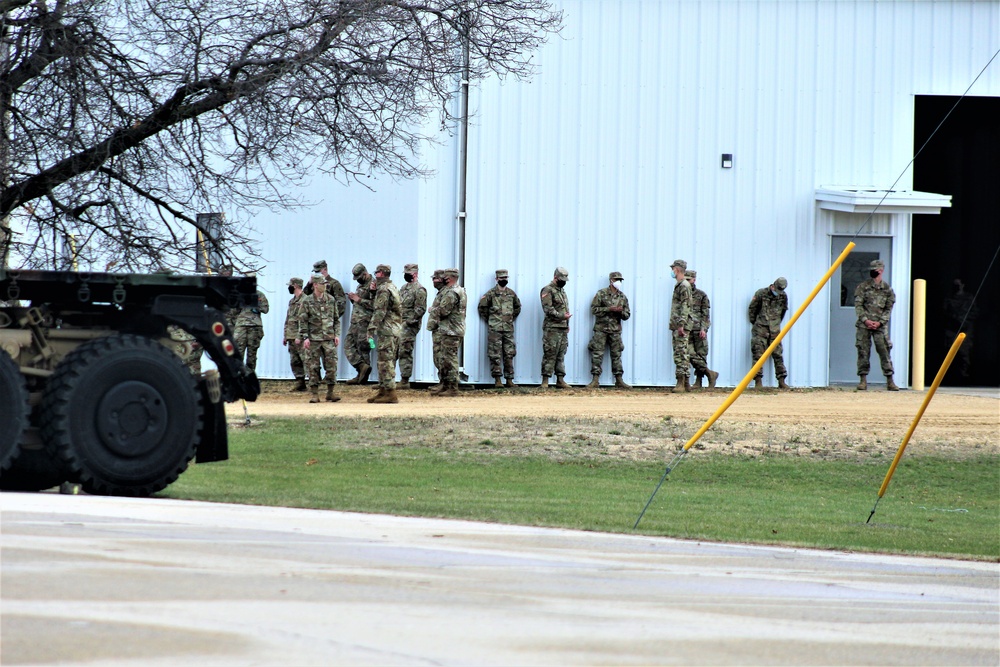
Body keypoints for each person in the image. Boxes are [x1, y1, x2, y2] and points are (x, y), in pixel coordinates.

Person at [296, 273, 341, 403]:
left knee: (331, 365)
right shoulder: (307, 301)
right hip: (313, 339)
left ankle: (330, 392)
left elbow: (336, 319)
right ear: (315, 285)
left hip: (328, 339)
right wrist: (305, 337)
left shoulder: (331, 299)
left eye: (326, 284)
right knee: (313, 366)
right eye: (322, 284)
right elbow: (302, 321)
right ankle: (314, 394)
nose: (325, 286)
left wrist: (336, 334)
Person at [855, 259, 898, 391]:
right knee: (863, 351)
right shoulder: (863, 287)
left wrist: (880, 322)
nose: (874, 271)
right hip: (864, 326)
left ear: (881, 270)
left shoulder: (887, 289)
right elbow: (858, 305)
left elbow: (888, 308)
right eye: (872, 269)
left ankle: (890, 380)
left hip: (880, 327)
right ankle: (863, 380)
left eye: (876, 269)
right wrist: (865, 320)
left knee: (884, 351)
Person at [366, 264, 403, 404]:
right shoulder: (392, 287)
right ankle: (383, 390)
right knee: (384, 360)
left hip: (387, 330)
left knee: (386, 361)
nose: (375, 275)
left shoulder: (384, 289)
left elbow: (379, 311)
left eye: (376, 272)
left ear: (381, 273)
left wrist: (370, 328)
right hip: (392, 329)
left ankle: (390, 393)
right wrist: (372, 292)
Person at [586, 271, 631, 389]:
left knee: (617, 354)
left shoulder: (622, 297)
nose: (618, 282)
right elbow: (594, 309)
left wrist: (620, 311)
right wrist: (609, 309)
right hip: (601, 329)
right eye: (616, 280)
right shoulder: (601, 294)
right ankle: (595, 380)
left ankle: (619, 380)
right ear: (611, 280)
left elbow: (627, 315)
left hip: (615, 330)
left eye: (620, 280)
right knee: (597, 354)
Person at [478, 269, 522, 388]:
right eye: (501, 278)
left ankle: (509, 379)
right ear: (497, 279)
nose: (504, 280)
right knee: (495, 353)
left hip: (508, 329)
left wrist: (510, 318)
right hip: (495, 329)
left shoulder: (511, 294)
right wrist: (491, 320)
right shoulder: (490, 294)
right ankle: (497, 379)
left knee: (509, 353)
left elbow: (517, 307)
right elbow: (482, 308)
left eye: (505, 278)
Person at [427, 268, 466, 397]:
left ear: (448, 278)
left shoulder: (452, 292)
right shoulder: (456, 290)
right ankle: (446, 385)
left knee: (450, 359)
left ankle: (453, 387)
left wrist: (433, 309)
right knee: (445, 359)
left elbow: (444, 311)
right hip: (450, 329)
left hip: (451, 330)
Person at [748, 277, 789, 389]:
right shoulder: (761, 293)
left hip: (775, 330)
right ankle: (758, 381)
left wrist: (775, 324)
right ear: (773, 286)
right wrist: (758, 323)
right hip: (761, 329)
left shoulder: (783, 296)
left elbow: (783, 311)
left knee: (778, 354)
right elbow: (752, 309)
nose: (778, 293)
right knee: (758, 354)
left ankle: (781, 380)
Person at [540, 267, 572, 389]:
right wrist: (561, 316)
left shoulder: (561, 291)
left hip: (562, 328)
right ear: (555, 277)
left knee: (561, 354)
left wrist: (567, 324)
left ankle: (560, 379)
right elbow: (548, 309)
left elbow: (565, 310)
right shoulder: (547, 290)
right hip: (552, 328)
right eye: (561, 279)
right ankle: (545, 381)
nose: (564, 282)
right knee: (550, 354)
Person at [344, 263, 377, 384]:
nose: (357, 280)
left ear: (365, 274)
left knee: (364, 348)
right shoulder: (360, 285)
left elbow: (377, 305)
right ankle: (361, 367)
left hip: (365, 323)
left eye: (359, 277)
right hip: (355, 322)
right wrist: (354, 300)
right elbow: (360, 304)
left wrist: (359, 299)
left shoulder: (374, 285)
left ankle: (362, 377)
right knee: (348, 345)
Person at [686, 269, 719, 389]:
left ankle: (698, 381)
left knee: (701, 354)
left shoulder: (701, 295)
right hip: (686, 329)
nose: (687, 282)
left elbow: (706, 314)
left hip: (698, 329)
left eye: (689, 279)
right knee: (689, 354)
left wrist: (703, 329)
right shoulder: (682, 293)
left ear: (694, 280)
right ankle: (710, 373)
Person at [397, 263, 427, 389]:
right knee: (393, 350)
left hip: (410, 325)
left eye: (408, 274)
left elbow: (420, 310)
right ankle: (388, 379)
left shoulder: (420, 290)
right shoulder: (403, 288)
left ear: (415, 274)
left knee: (405, 350)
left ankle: (405, 379)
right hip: (399, 323)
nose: (406, 276)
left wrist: (408, 322)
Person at [233, 272, 269, 373]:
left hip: (255, 326)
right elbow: (233, 311)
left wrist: (256, 305)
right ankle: (238, 377)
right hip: (241, 326)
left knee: (251, 354)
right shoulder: (239, 294)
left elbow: (266, 309)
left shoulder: (260, 295)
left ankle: (250, 377)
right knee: (238, 352)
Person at [942, 277, 977, 381]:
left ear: (963, 285)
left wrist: (965, 321)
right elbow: (944, 313)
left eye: (958, 285)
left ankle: (964, 375)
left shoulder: (969, 298)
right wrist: (954, 318)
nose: (956, 287)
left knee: (964, 353)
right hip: (951, 329)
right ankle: (952, 376)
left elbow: (975, 312)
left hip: (965, 329)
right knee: (950, 352)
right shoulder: (949, 298)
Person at [668, 259, 692, 393]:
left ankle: (681, 383)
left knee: (680, 353)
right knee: (683, 353)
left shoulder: (683, 285)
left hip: (680, 325)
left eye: (673, 269)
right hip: (678, 324)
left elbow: (685, 306)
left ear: (677, 270)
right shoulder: (681, 285)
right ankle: (686, 383)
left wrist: (681, 324)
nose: (672, 271)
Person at [283, 277, 308, 391]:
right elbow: (288, 319)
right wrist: (285, 335)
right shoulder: (292, 301)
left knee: (306, 359)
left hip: (301, 336)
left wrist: (300, 336)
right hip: (291, 336)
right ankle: (300, 382)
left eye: (291, 285)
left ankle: (314, 383)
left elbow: (305, 320)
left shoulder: (305, 300)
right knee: (295, 361)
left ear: (296, 286)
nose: (289, 287)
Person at [312, 258, 347, 334]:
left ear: (325, 269)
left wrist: (330, 317)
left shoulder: (334, 284)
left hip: (327, 325)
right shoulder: (314, 284)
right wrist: (309, 284)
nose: (316, 273)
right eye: (315, 272)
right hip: (314, 324)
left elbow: (341, 304)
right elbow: (305, 297)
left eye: (318, 271)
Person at [426, 269, 447, 391]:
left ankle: (445, 383)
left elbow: (444, 310)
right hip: (437, 329)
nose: (434, 281)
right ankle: (441, 382)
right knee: (437, 357)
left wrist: (432, 310)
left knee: (442, 357)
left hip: (442, 329)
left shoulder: (446, 293)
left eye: (436, 279)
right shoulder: (440, 293)